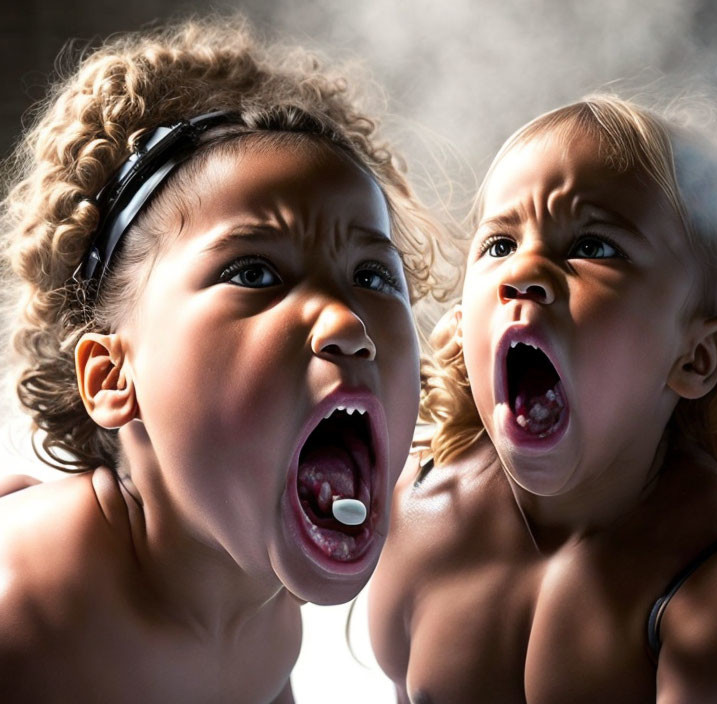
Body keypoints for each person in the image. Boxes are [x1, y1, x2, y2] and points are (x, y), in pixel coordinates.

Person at [0, 17, 443, 701]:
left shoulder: (270, 620)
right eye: (257, 273)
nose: (349, 322)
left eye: (376, 277)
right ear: (114, 377)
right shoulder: (30, 600)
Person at [369, 92, 717, 702]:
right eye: (498, 245)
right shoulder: (418, 517)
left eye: (594, 247)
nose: (523, 273)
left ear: (696, 357)